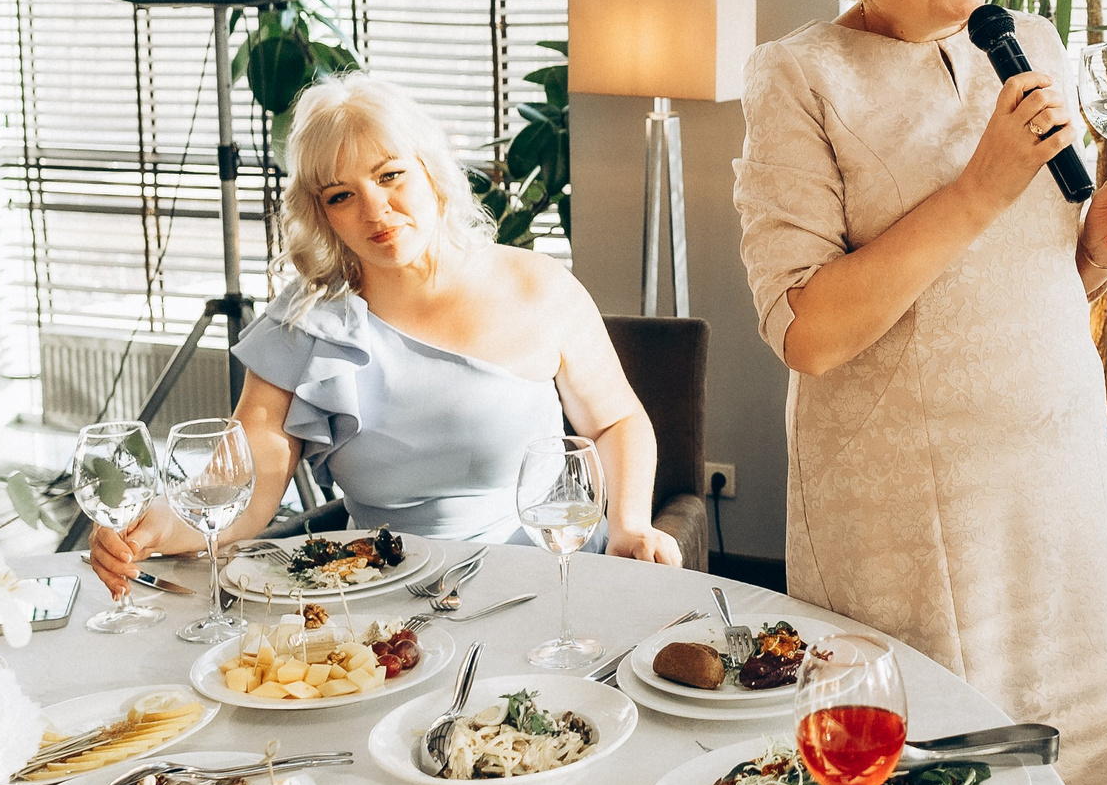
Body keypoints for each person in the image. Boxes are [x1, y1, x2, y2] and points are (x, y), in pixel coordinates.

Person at [733, 0, 1107, 785]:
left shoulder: (1031, 45)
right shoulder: (801, 77)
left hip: (1055, 478)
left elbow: (1035, 278)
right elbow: (807, 333)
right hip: (913, 511)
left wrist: (1096, 245)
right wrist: (978, 187)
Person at [89, 72, 682, 595]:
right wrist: (152, 526)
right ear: (322, 213)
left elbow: (615, 422)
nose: (376, 212)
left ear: (431, 169)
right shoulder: (303, 321)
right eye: (343, 196)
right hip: (380, 598)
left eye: (390, 175)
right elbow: (240, 488)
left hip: (544, 581)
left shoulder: (537, 287)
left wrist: (630, 523)